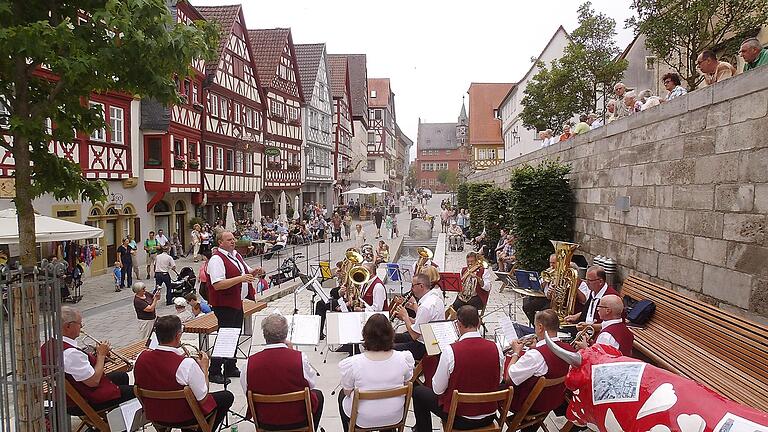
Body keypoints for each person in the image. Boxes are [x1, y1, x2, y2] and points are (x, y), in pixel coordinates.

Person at [134, 315, 234, 431]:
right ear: (178, 336)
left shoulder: (140, 357)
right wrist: (204, 369)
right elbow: (203, 398)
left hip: (155, 415)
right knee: (227, 396)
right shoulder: (186, 364)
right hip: (183, 417)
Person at [412, 306, 504, 432]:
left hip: (459, 417)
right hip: (489, 415)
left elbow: (438, 390)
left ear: (459, 325)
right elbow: (498, 380)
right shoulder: (496, 348)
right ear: (478, 323)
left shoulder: (451, 351)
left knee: (418, 392)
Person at [41, 306, 135, 414]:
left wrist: (95, 357)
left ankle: (115, 417)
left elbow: (76, 369)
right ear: (68, 326)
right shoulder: (70, 353)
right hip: (83, 401)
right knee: (136, 392)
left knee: (122, 376)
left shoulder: (48, 345)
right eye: (79, 323)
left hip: (70, 395)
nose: (82, 326)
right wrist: (101, 356)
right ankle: (119, 422)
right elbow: (93, 382)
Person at [242, 314, 323, 430]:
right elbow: (311, 384)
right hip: (297, 420)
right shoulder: (299, 358)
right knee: (318, 395)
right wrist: (291, 352)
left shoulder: (249, 363)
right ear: (286, 334)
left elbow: (246, 390)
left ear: (264, 334)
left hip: (266, 421)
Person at [338, 314, 414, 432]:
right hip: (394, 415)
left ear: (366, 335)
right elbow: (407, 381)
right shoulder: (403, 358)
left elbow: (347, 391)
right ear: (391, 334)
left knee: (342, 396)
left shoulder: (353, 363)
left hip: (364, 419)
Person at [206, 230, 259, 383]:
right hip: (224, 304)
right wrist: (240, 278)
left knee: (234, 334)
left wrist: (254, 272)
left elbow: (245, 272)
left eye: (233, 238)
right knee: (225, 336)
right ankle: (214, 370)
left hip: (236, 301)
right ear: (220, 243)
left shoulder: (236, 255)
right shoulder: (216, 259)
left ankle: (230, 366)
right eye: (229, 239)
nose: (233, 241)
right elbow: (218, 284)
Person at [504, 309, 575, 415]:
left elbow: (509, 378)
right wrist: (535, 347)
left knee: (496, 383)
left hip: (529, 404)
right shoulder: (569, 349)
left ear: (540, 327)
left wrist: (516, 353)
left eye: (536, 326)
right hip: (553, 401)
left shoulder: (536, 355)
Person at [393, 273, 444, 360]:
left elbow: (414, 335)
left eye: (413, 286)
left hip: (424, 346)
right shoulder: (435, 298)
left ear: (421, 286)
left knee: (389, 348)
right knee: (391, 336)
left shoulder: (425, 306)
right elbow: (422, 323)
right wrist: (407, 318)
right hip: (429, 339)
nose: (412, 289)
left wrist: (405, 317)